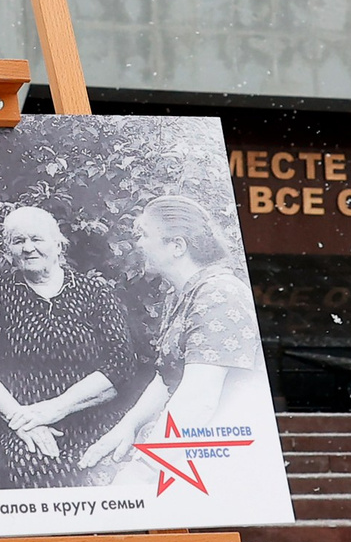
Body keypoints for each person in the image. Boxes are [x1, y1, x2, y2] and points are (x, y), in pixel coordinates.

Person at [81, 197, 266, 475]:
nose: (139, 244)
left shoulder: (219, 294)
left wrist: (145, 469)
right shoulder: (180, 293)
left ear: (177, 246)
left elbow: (198, 398)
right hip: (192, 437)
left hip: (229, 448)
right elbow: (166, 377)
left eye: (145, 235)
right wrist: (126, 426)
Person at [0, 206, 137, 488]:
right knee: (31, 468)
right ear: (9, 250)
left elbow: (120, 364)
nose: (28, 248)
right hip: (27, 424)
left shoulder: (94, 293)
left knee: (117, 474)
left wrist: (56, 408)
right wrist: (21, 420)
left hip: (94, 418)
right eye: (18, 241)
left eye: (36, 239)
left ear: (58, 244)